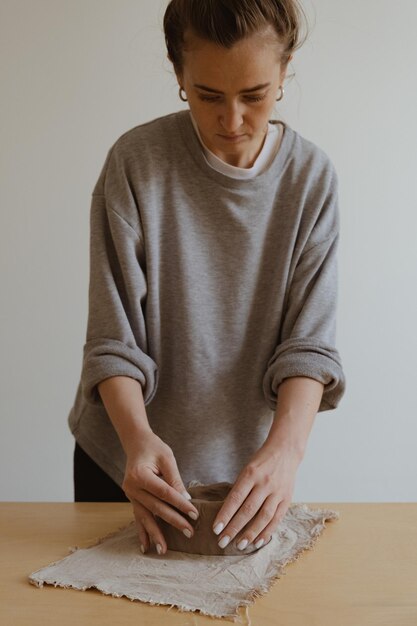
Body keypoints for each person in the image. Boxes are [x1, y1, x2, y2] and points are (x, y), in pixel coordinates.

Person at [68, 0, 346, 557]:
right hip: (126, 462)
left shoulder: (311, 179)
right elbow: (112, 342)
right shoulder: (136, 162)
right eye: (208, 95)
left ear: (286, 71)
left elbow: (308, 347)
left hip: (245, 477)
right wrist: (137, 441)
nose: (233, 121)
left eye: (255, 95)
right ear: (178, 75)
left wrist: (286, 454)